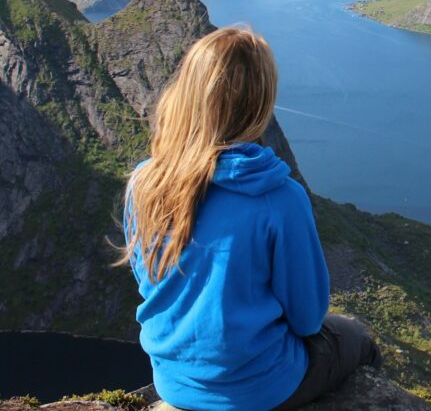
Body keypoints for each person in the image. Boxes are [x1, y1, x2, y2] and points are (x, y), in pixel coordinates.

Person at [119, 26, 380, 411]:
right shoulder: (278, 197)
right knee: (356, 340)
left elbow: (150, 282)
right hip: (259, 388)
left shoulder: (145, 182)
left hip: (173, 382)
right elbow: (307, 319)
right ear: (260, 104)